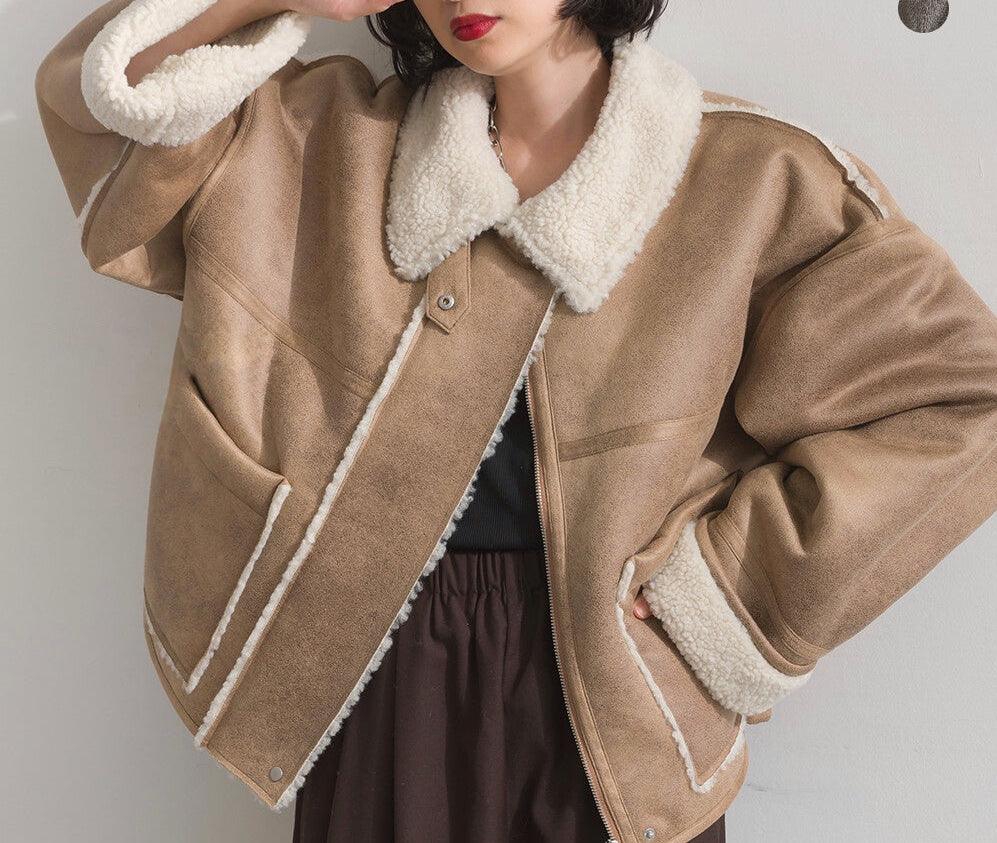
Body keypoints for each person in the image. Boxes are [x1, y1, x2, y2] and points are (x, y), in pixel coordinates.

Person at [35, 1, 997, 842]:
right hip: (373, 669)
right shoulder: (321, 140)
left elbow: (961, 395)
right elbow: (104, 114)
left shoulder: (752, 178)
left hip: (617, 694)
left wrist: (726, 596)